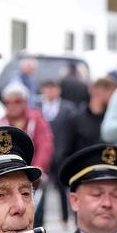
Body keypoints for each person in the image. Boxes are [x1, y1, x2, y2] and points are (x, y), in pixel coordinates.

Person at [0, 82, 55, 225]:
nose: (12, 105)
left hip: (35, 178)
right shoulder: (1, 123)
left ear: (25, 102)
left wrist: (37, 168)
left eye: (17, 101)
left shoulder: (36, 120)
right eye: (8, 102)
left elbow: (45, 144)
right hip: (9, 178)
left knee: (37, 218)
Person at [39, 79, 78, 223]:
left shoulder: (68, 108)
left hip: (61, 152)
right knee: (42, 187)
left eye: (53, 88)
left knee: (63, 186)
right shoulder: (37, 106)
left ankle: (66, 216)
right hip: (44, 155)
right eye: (47, 89)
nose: (50, 92)